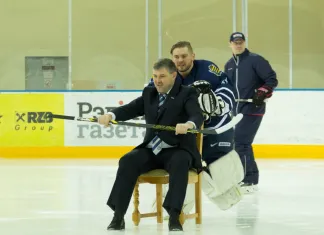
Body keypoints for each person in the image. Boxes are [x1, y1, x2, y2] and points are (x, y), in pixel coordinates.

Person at [98, 58, 204, 231]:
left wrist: (188, 125)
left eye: (162, 76)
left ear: (173, 76)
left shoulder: (187, 93)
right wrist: (111, 115)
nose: (157, 80)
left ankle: (174, 216)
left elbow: (196, 115)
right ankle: (118, 216)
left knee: (180, 162)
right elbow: (130, 109)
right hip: (152, 149)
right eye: (155, 76)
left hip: (177, 149)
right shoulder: (149, 93)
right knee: (128, 161)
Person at [149, 41, 244, 214]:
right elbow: (150, 97)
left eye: (184, 56)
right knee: (181, 167)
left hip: (213, 130)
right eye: (176, 57)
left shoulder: (207, 68)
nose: (180, 60)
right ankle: (173, 207)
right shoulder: (166, 74)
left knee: (223, 179)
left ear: (193, 56)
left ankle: (224, 194)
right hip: (184, 134)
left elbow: (227, 88)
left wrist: (219, 104)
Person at [224, 32, 278, 193]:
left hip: (253, 108)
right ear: (230, 44)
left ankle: (248, 180)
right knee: (242, 143)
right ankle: (251, 178)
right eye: (235, 42)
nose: (238, 45)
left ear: (245, 43)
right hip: (236, 109)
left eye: (241, 42)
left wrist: (262, 91)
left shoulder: (256, 60)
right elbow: (227, 87)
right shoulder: (229, 65)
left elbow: (271, 79)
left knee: (241, 142)